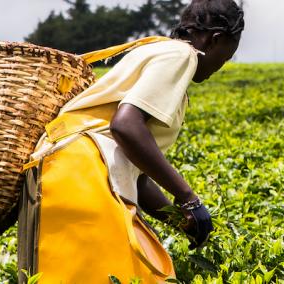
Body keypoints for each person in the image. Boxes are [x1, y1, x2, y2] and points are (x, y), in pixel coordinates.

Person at [16, 0, 244, 282]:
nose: (223, 64)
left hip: (62, 171)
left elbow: (135, 173)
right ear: (214, 39)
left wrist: (179, 220)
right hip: (83, 172)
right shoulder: (181, 56)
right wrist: (189, 199)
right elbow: (125, 126)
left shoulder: (158, 51)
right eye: (227, 55)